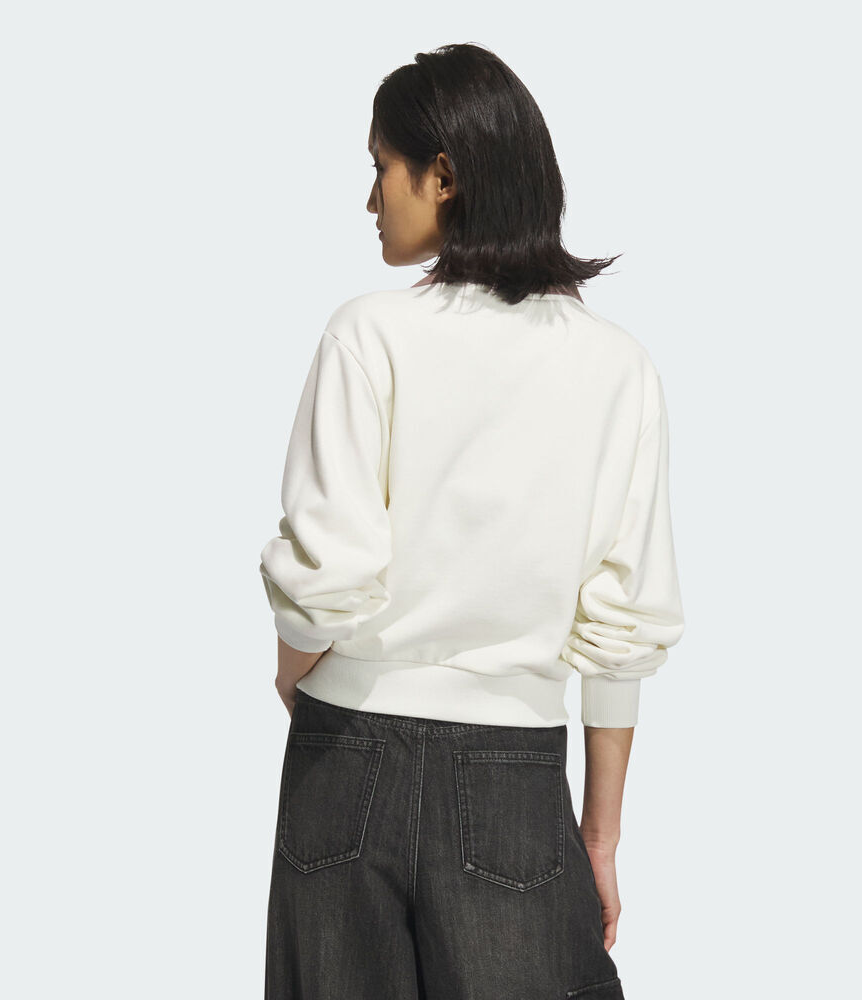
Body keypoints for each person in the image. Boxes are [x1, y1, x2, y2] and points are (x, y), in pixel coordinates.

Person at [258, 42, 685, 1000]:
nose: (371, 199)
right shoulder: (617, 367)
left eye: (381, 168)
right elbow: (622, 626)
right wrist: (600, 838)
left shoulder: (368, 333)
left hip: (345, 756)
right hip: (514, 779)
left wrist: (294, 675)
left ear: (443, 175)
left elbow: (326, 574)